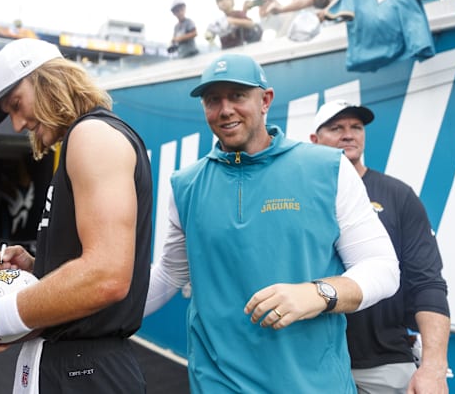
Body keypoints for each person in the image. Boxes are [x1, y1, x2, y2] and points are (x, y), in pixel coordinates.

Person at [142, 53, 400, 393]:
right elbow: (170, 273)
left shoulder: (327, 168)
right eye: (212, 100)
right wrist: (89, 317)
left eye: (237, 96)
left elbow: (382, 267)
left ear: (265, 100)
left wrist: (319, 293)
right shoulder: (186, 184)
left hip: (314, 384)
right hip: (218, 382)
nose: (224, 110)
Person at [0, 38, 153, 393]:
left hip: (85, 370)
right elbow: (93, 264)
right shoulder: (85, 139)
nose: (16, 124)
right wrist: (40, 268)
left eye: (16, 104)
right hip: (71, 365)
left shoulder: (92, 134)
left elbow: (106, 276)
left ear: (52, 79)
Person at [310, 100, 451, 394]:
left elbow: (427, 282)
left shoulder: (398, 195)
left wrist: (433, 368)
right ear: (314, 139)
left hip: (384, 362)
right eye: (336, 128)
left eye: (356, 127)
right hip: (311, 361)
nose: (348, 134)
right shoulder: (299, 197)